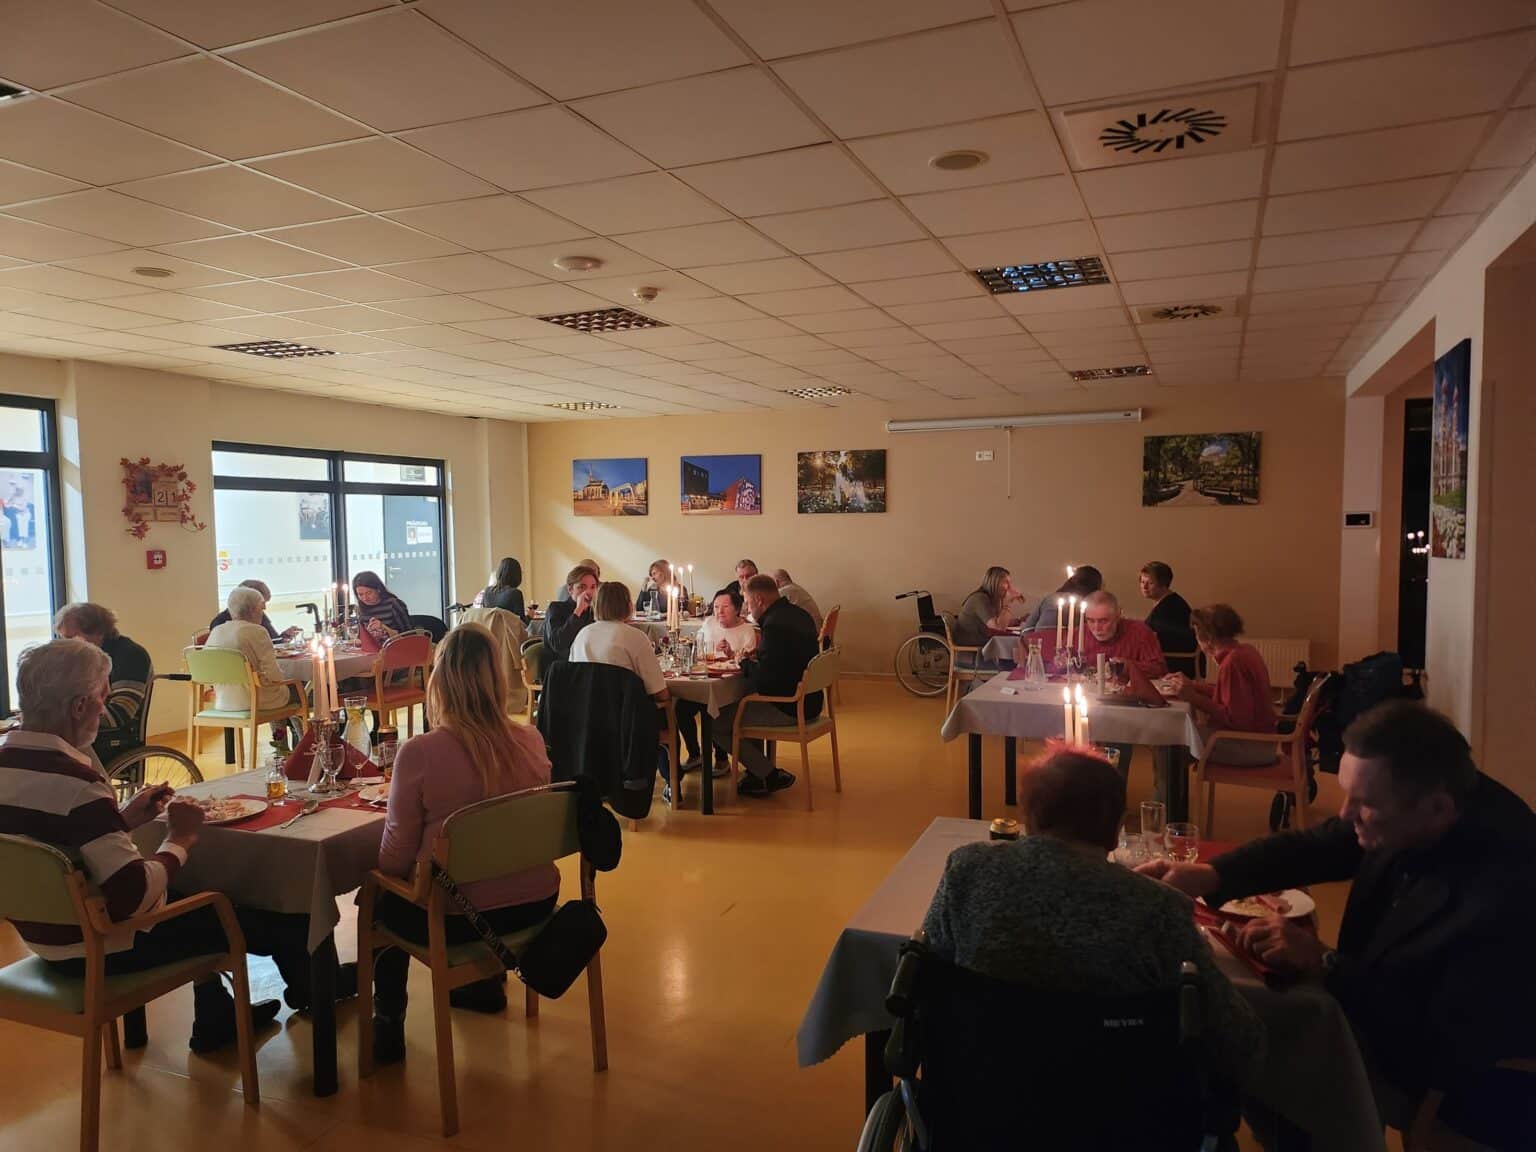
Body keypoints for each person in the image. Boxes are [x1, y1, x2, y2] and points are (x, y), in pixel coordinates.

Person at [1139, 702, 1536, 1139]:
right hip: (1384, 1008)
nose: (1345, 813)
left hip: (1459, 1081)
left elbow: (1438, 1038)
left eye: (1363, 804)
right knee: (1245, 1033)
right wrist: (1211, 875)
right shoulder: (1417, 803)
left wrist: (1324, 963)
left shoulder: (1506, 888)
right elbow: (1319, 845)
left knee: (1256, 1047)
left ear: (1438, 808)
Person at [0, 639, 285, 1052]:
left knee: (189, 892)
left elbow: (55, 847)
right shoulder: (78, 785)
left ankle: (216, 1016)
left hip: (43, 938)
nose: (104, 709)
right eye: (103, 698)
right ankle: (320, 995)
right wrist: (179, 838)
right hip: (104, 946)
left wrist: (122, 820)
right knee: (262, 914)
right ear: (79, 706)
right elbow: (131, 896)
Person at [923, 748, 1263, 1088]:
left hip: (982, 1098)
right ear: (1116, 830)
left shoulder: (967, 870)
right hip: (1120, 1109)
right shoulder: (1160, 909)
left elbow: (925, 979)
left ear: (1030, 819)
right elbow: (1238, 1039)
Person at [369, 625, 562, 1063]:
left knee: (380, 895)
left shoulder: (420, 753)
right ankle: (480, 982)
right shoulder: (531, 740)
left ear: (440, 681)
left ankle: (388, 1020)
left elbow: (393, 860)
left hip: (458, 921)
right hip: (536, 908)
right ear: (498, 679)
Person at [710, 575, 819, 797]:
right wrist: (759, 655)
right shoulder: (799, 615)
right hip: (811, 699)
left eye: (748, 603)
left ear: (759, 600)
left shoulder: (774, 625)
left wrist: (744, 662)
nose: (747, 609)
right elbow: (784, 659)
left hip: (789, 706)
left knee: (716, 723)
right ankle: (757, 772)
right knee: (744, 701)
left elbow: (765, 681)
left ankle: (769, 775)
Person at [1168, 604, 1277, 767]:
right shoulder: (1245, 650)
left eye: (1196, 634)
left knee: (1171, 737)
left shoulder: (1232, 663)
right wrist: (1193, 685)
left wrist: (1193, 698)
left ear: (1208, 637)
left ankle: (1167, 785)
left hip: (1250, 745)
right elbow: (1231, 696)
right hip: (1264, 741)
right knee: (1181, 733)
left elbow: (1236, 720)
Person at [53, 602, 152, 768]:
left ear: (97, 632)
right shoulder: (82, 656)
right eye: (63, 639)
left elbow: (120, 713)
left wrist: (62, 719)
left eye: (71, 638)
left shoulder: (131, 656)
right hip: (85, 722)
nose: (66, 645)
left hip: (111, 734)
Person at [681, 588, 756, 778]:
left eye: (725, 607)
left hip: (731, 688)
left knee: (713, 711)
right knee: (680, 708)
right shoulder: (709, 623)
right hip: (705, 680)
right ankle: (694, 753)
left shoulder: (746, 630)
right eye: (715, 607)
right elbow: (698, 647)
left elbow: (748, 661)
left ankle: (721, 759)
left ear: (737, 609)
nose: (719, 611)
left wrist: (731, 653)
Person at [568, 583, 669, 705]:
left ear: (596, 606)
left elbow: (573, 679)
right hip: (624, 712)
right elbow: (660, 693)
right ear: (628, 606)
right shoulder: (635, 637)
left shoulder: (582, 635)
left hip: (584, 710)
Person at [205, 587, 302, 713]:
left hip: (224, 701)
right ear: (253, 609)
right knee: (309, 690)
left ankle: (282, 727)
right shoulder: (256, 631)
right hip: (258, 700)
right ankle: (305, 726)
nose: (263, 613)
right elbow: (274, 676)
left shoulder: (217, 631)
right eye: (262, 608)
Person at [1079, 590, 1168, 678]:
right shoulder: (1078, 634)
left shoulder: (1139, 632)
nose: (1096, 628)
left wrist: (1126, 666)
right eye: (1091, 621)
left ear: (1118, 615)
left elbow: (1159, 669)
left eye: (1103, 621)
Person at [1140, 562, 1196, 674]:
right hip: (1169, 659)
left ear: (1163, 584)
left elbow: (1158, 636)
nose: (1144, 587)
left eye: (1150, 583)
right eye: (1142, 582)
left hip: (1176, 663)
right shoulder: (1168, 602)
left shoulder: (1170, 607)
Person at [954, 566, 1027, 648]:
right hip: (970, 640)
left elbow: (999, 623)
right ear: (995, 582)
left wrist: (1019, 620)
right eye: (1006, 582)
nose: (1009, 587)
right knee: (1016, 642)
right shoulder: (980, 599)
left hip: (981, 637)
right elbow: (998, 629)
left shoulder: (992, 599)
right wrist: (1008, 603)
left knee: (1017, 639)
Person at [208, 579, 300, 641]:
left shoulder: (259, 616)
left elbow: (273, 641)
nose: (264, 608)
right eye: (261, 604)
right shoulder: (220, 623)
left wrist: (285, 636)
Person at [1022, 565, 1103, 634]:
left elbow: (1026, 629)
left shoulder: (1051, 598)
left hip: (1039, 643)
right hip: (1072, 645)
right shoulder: (1091, 605)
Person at [543, 564, 598, 662]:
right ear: (570, 589)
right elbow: (558, 644)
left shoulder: (594, 612)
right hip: (561, 666)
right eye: (582, 587)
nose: (588, 592)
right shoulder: (556, 608)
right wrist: (578, 611)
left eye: (593, 587)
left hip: (586, 664)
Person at [352, 571, 412, 646]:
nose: (365, 598)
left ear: (378, 589)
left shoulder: (393, 604)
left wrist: (384, 627)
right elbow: (361, 639)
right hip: (372, 651)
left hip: (397, 649)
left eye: (369, 593)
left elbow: (409, 636)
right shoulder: (362, 610)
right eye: (360, 594)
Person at [771, 568, 823, 634]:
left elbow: (771, 612)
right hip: (816, 630)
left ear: (776, 582)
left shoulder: (784, 591)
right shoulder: (795, 588)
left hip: (810, 634)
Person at [479, 557, 527, 621]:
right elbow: (521, 623)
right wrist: (529, 616)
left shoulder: (487, 592)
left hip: (489, 627)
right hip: (508, 627)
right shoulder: (515, 593)